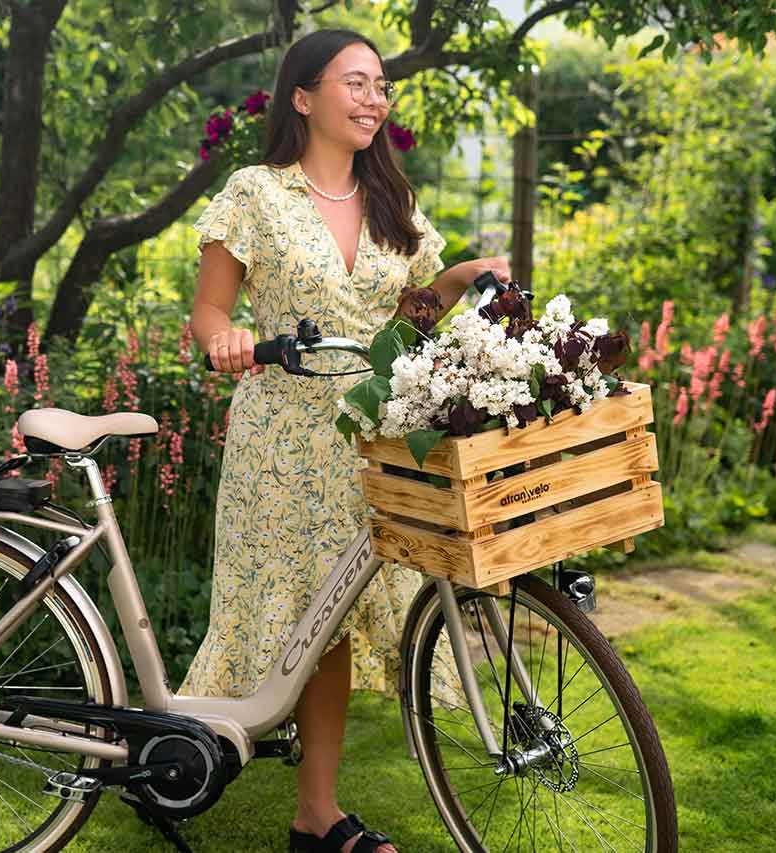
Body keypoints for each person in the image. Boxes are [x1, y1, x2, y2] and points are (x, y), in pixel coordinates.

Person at [179, 28, 512, 853]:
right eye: (356, 82)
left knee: (334, 614)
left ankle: (313, 813)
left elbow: (409, 316)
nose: (374, 98)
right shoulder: (255, 193)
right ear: (303, 96)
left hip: (371, 428)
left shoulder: (391, 198)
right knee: (298, 620)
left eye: (382, 85)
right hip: (284, 435)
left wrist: (461, 276)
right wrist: (223, 338)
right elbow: (208, 312)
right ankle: (302, 805)